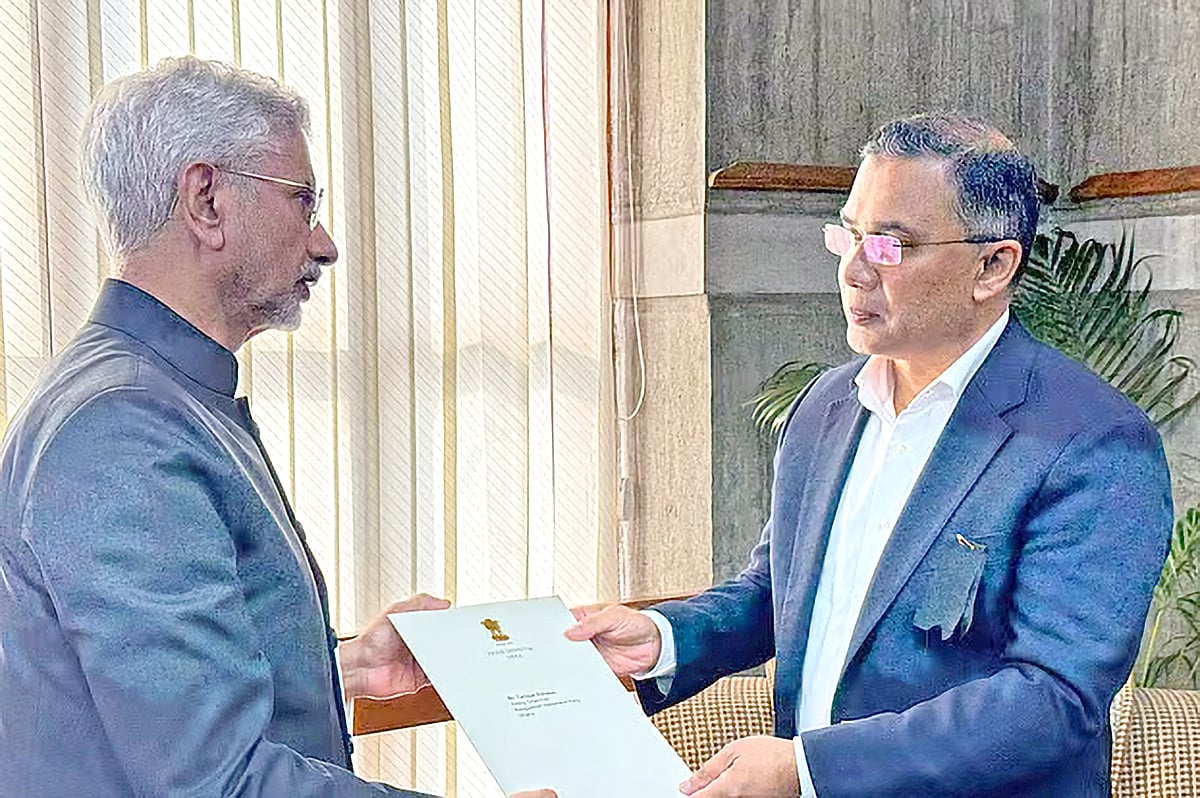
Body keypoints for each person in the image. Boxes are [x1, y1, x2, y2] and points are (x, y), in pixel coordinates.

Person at [567, 113, 1173, 797]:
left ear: (993, 265)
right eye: (848, 236)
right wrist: (664, 637)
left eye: (890, 246)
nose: (854, 272)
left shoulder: (1092, 441)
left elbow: (1050, 700)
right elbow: (781, 593)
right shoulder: (826, 406)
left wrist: (807, 769)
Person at [0, 57, 552, 798]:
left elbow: (157, 686)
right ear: (207, 200)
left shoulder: (160, 392)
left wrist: (342, 667)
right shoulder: (123, 428)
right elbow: (218, 781)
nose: (323, 243)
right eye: (303, 200)